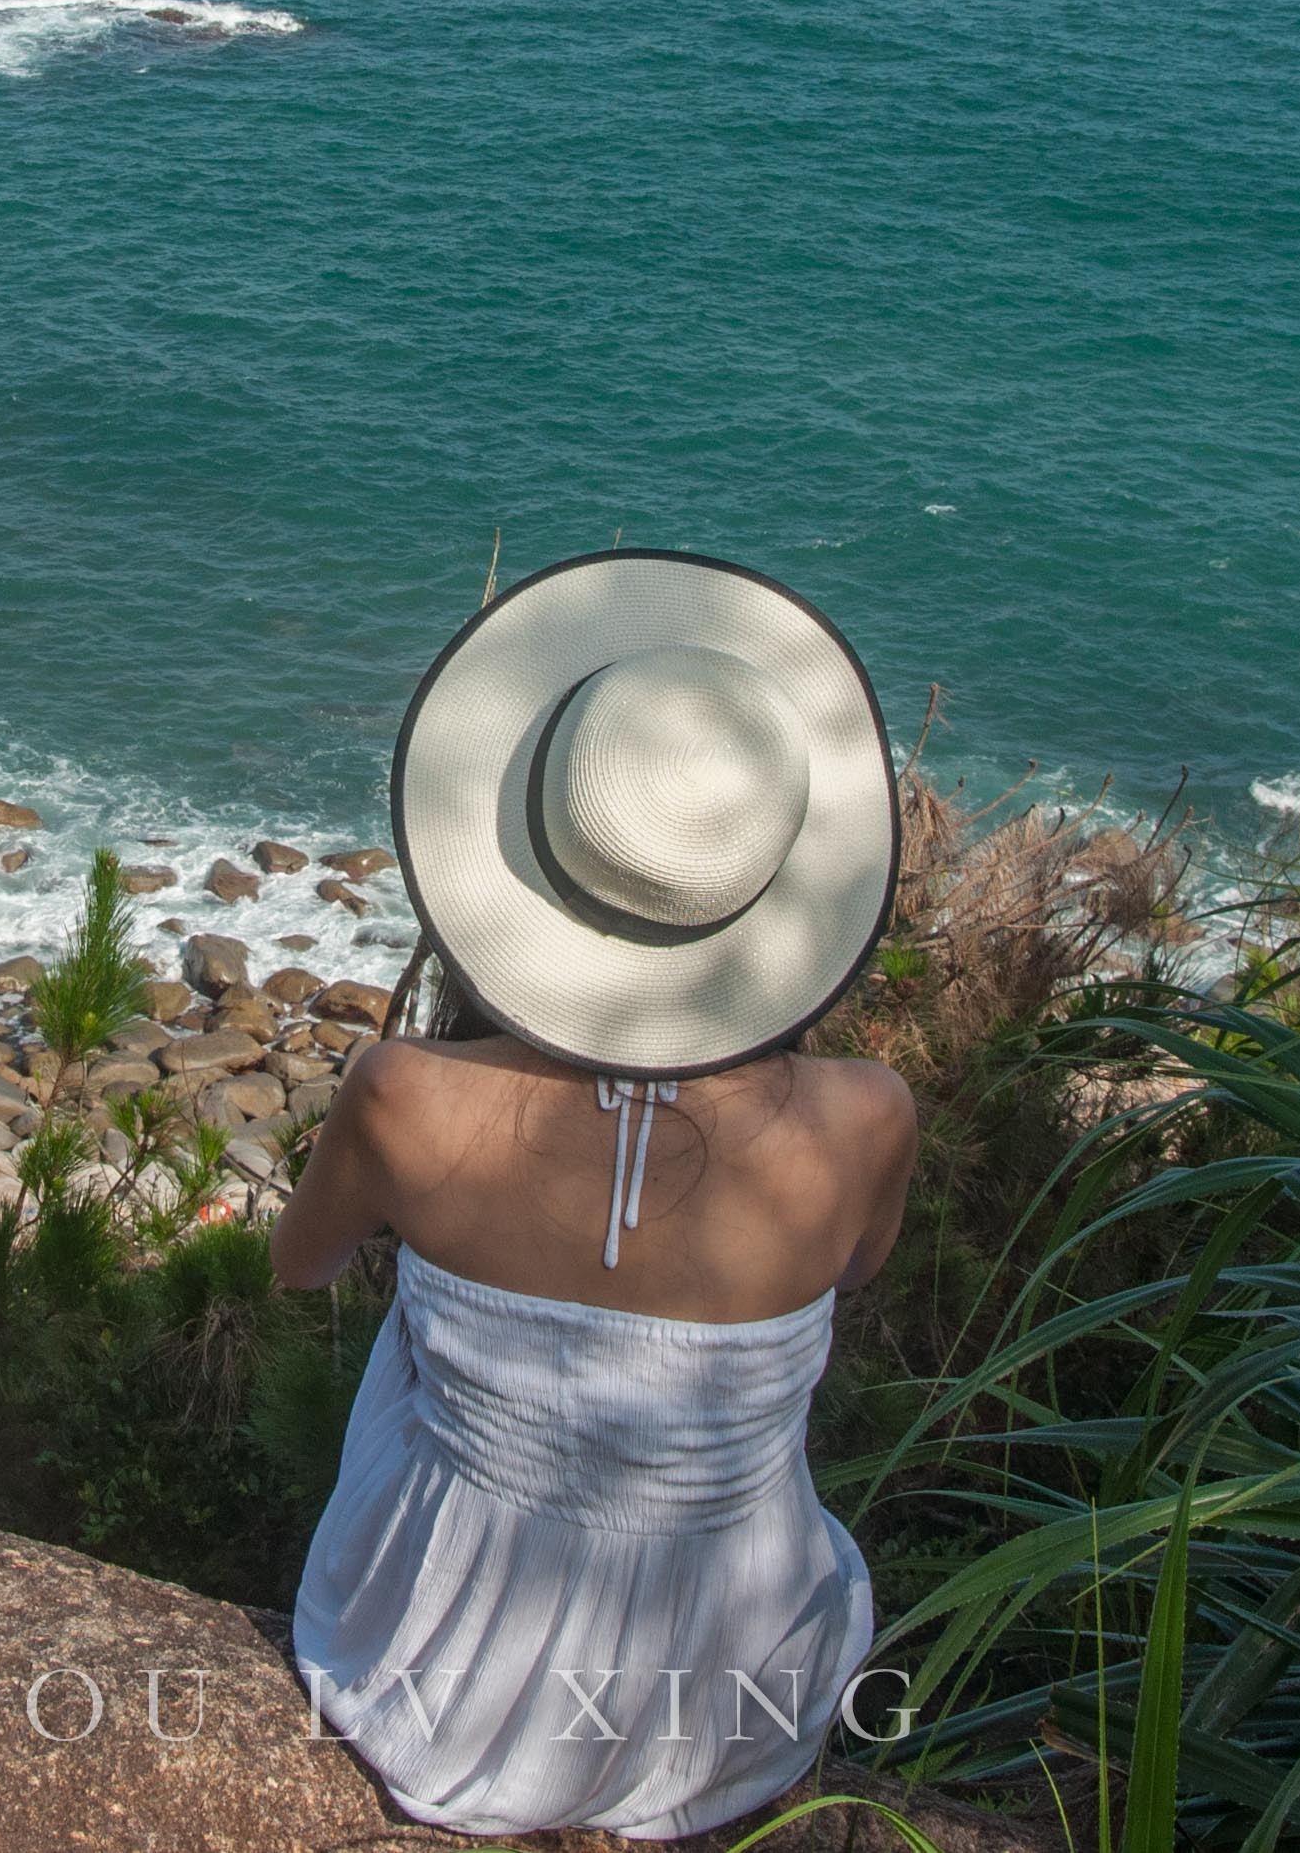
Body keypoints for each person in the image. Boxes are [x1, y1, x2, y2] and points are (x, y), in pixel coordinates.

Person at [273, 550, 920, 1840]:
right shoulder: (866, 1117)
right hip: (724, 1687)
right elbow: (855, 1275)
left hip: (439, 1680)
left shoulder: (405, 1093)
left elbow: (301, 1267)